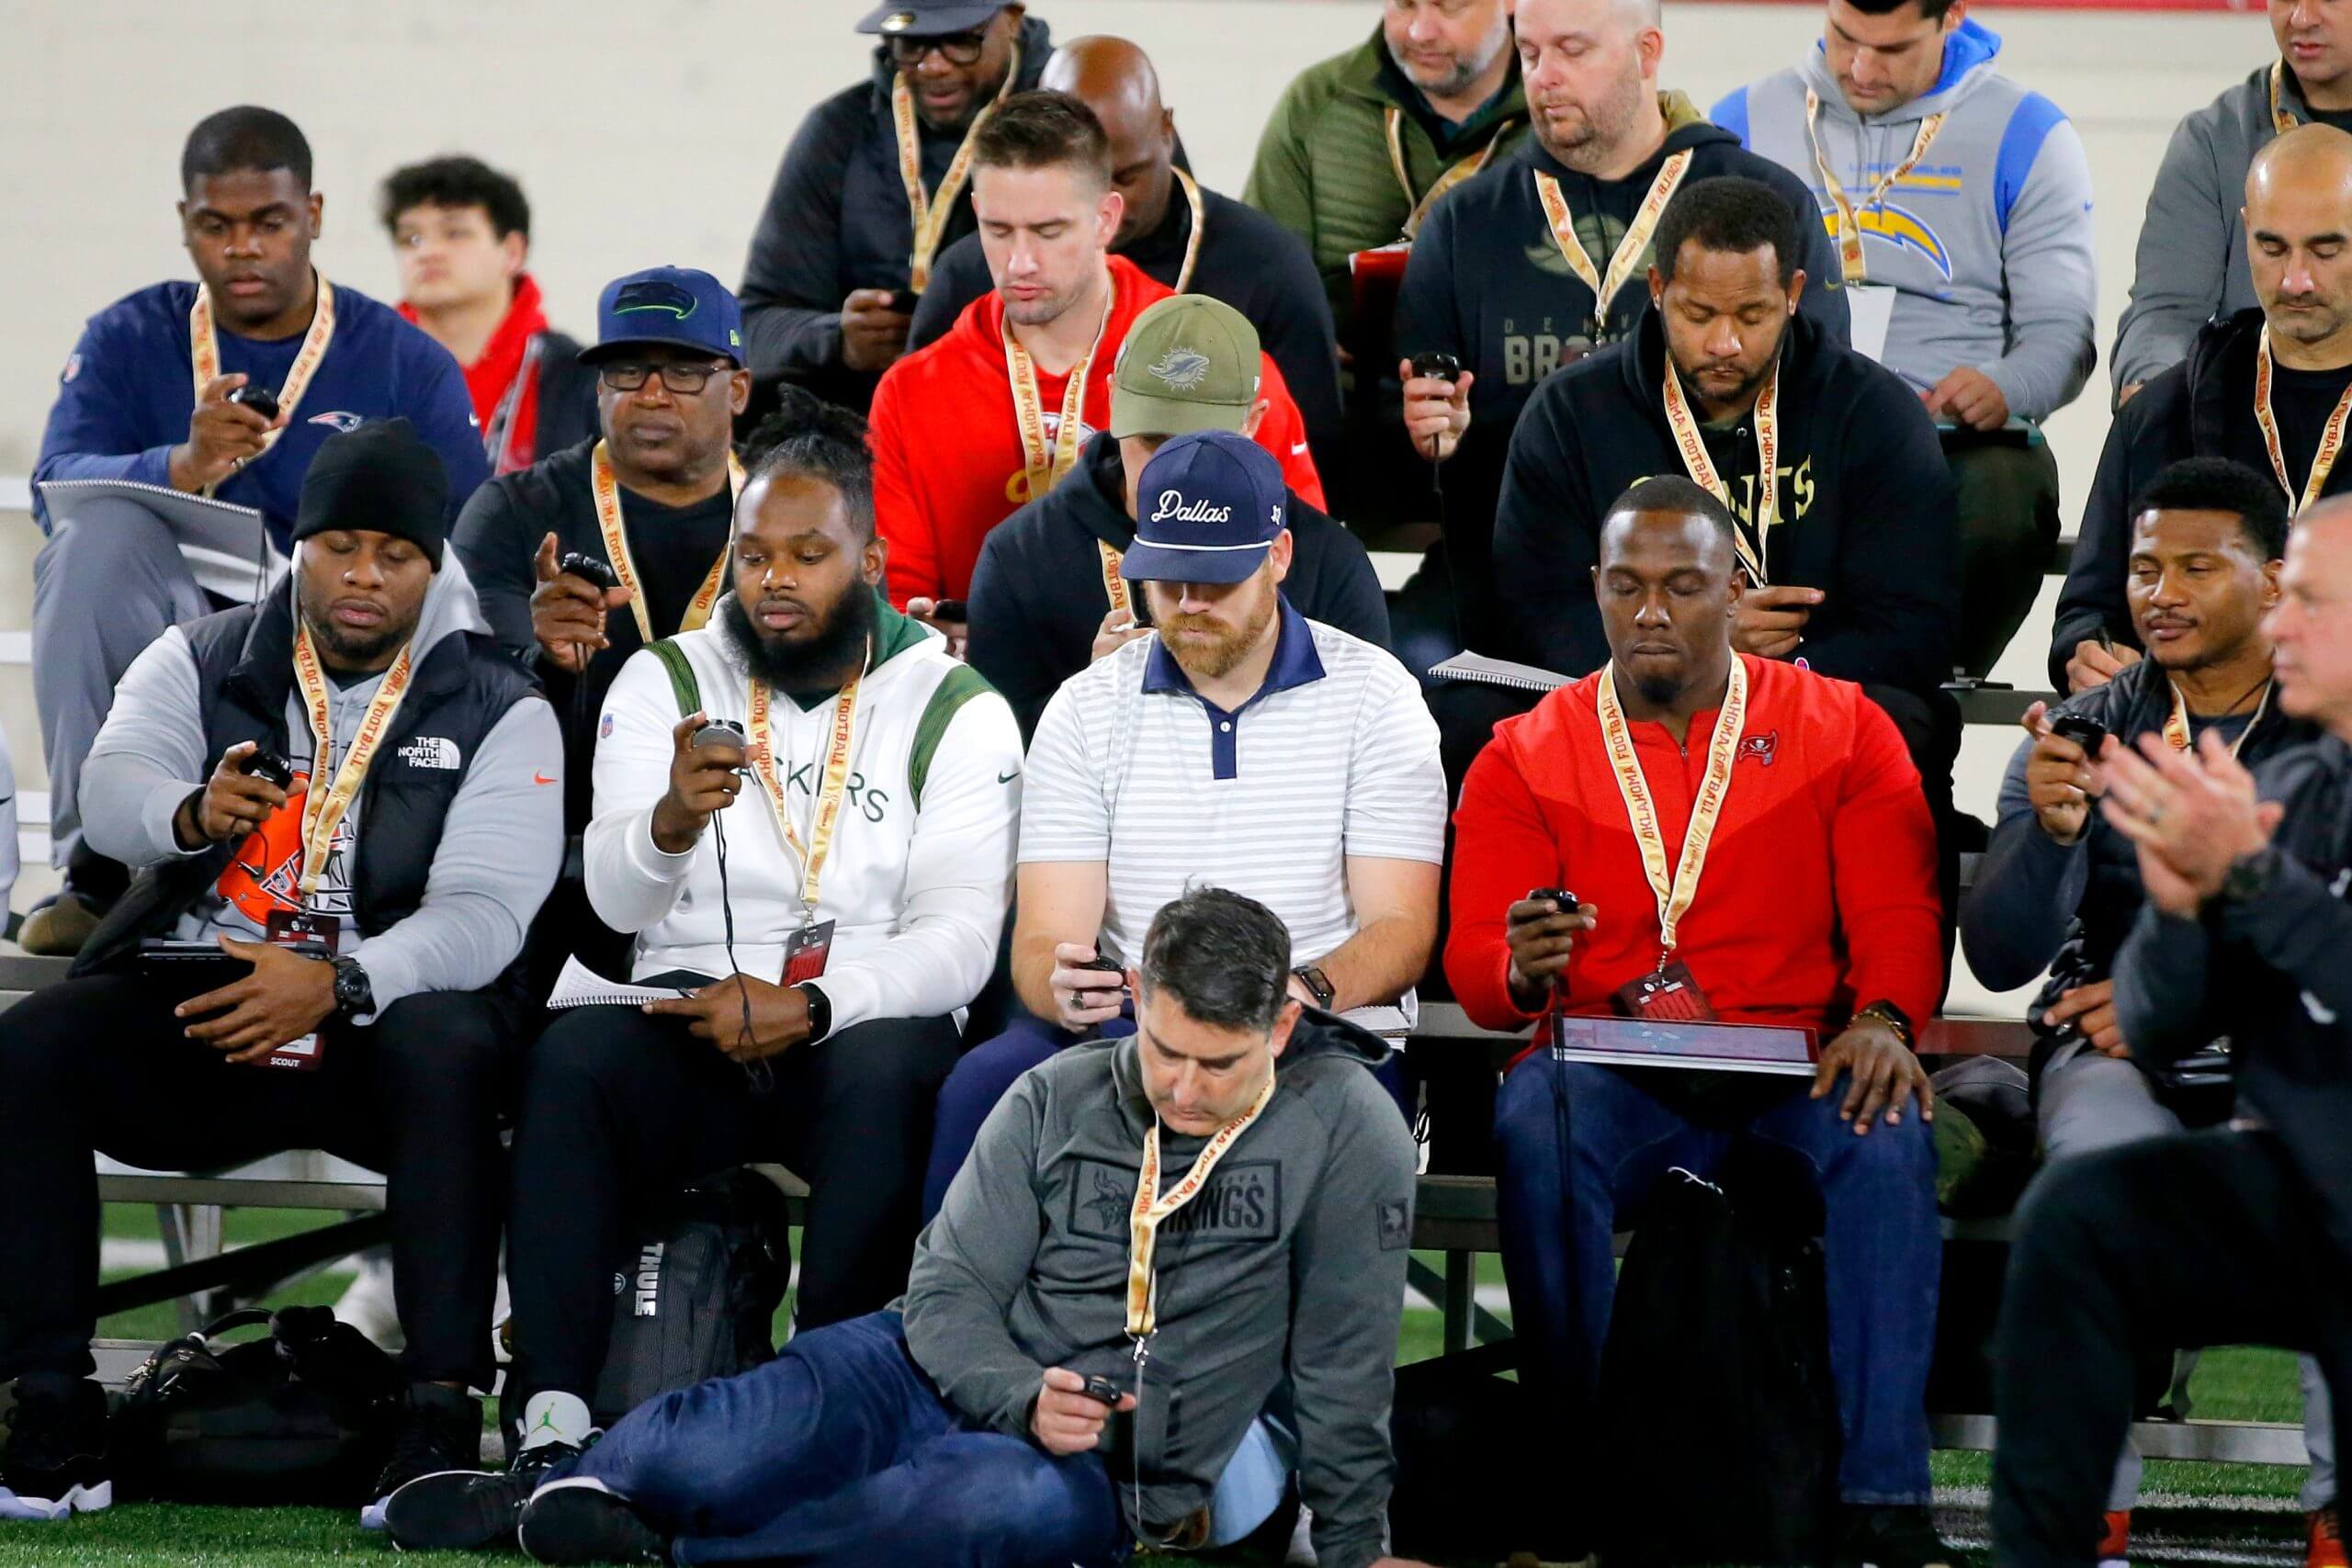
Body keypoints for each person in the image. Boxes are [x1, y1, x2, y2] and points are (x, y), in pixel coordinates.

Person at [386, 887, 1430, 1568]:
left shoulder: (1345, 1126)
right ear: (1140, 1001)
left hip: (1110, 1453)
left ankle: (661, 1548)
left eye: (1221, 1064)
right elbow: (946, 1292)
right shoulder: (1055, 1092)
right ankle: (569, 1488)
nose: (1186, 1088)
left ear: (1283, 1025)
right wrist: (1017, 1387)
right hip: (935, 1365)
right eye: (1165, 1052)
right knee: (722, 1442)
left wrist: (1352, 1549)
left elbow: (1345, 1361)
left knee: (980, 1510)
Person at [445, 407, 1023, 1499]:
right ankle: (554, 1420)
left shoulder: (955, 704)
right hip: (688, 1007)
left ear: (874, 561)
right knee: (570, 1071)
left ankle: (829, 1413)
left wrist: (815, 1004)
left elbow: (957, 943)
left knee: (897, 1072)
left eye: (810, 555)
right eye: (754, 556)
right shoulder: (664, 677)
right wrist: (666, 822)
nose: (776, 582)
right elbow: (616, 900)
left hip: (854, 1019)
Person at [0, 420, 563, 1529]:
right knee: (30, 1052)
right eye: (338, 545)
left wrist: (340, 982)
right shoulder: (204, 653)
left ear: (432, 565)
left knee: (449, 1044)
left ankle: (438, 1410)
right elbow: (114, 783)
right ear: (297, 545)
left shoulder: (498, 699)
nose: (362, 575)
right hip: (204, 1003)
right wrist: (185, 812)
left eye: (394, 554)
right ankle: (53, 1401)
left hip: (372, 1036)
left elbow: (487, 915)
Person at [1447, 477, 1949, 1568]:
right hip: (1613, 1068)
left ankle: (1882, 1503)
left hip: (1793, 1061)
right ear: (1594, 591)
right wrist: (1520, 971)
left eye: (1683, 586)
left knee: (1887, 1123)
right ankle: (1575, 1482)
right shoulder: (1522, 752)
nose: (1652, 613)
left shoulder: (1842, 726)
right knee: (1542, 1120)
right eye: (1625, 587)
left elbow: (1899, 908)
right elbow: (1481, 973)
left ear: (1734, 588)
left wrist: (1882, 1017)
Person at [1961, 457, 2337, 1565]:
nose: (2158, 592)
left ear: (2272, 584)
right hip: (2112, 1054)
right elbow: (1999, 951)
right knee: (2086, 1191)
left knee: (2337, 1193)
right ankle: (2089, 1519)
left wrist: (2182, 1003)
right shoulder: (2075, 731)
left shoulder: (2324, 723)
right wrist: (2051, 833)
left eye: (2192, 567)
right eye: (2139, 568)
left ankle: (2336, 1516)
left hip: (2280, 1045)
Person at [923, 428, 1443, 1215]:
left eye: (1216, 578)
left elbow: (1400, 929)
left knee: (1309, 1133)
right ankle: (943, 1325)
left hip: (1313, 1026)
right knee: (981, 1087)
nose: (1190, 604)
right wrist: (1060, 987)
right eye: (1167, 579)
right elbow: (1042, 942)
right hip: (1133, 1026)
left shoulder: (1376, 695)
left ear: (1278, 555)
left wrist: (1281, 1000)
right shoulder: (1086, 705)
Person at [27, 106, 488, 955]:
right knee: (89, 548)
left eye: (267, 223)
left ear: (311, 216)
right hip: (171, 632)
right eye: (217, 225)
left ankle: (377, 880)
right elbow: (55, 490)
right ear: (185, 225)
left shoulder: (402, 360)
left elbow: (470, 537)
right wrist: (181, 463)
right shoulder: (131, 338)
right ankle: (96, 874)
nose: (242, 247)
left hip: (330, 640)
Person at [1396, 0, 1848, 641]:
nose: (1544, 76)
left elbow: (1819, 401)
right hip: (1528, 571)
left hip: (1727, 558)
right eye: (1529, 54)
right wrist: (1442, 439)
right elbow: (1410, 455)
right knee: (1413, 668)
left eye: (1573, 51)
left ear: (1646, 53)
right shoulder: (1464, 220)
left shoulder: (1761, 206)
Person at [1489, 176, 1955, 785]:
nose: (1724, 343)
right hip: (1627, 693)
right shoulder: (1571, 412)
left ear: (1793, 294)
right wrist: (1698, 646)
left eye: (1752, 314)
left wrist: (1757, 673)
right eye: (1699, 313)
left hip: (1811, 693)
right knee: (1477, 718)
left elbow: (1916, 624)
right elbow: (1535, 607)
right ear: (1657, 290)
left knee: (1901, 723)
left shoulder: (1873, 412)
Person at [1714, 0, 2097, 677]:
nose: (1860, 69)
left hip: (1943, 438)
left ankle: (1917, 681)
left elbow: (2062, 334)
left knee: (2007, 490)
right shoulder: (1741, 123)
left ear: (1951, 18)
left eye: (1890, 51)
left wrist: (2003, 387)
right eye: (1843, 39)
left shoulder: (2026, 132)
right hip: (1771, 425)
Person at [868, 90, 1325, 635]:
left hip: (1186, 683)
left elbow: (1302, 570)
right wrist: (921, 643)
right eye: (997, 230)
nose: (1019, 261)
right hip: (992, 693)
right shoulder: (911, 393)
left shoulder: (1211, 367)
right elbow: (897, 602)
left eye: (1048, 231)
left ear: (1106, 219)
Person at [909, 36, 1343, 479]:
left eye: (1126, 177)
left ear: (1166, 132)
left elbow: (1312, 461)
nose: (1105, 205)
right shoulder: (971, 272)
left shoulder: (1265, 265)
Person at [967, 293, 1389, 740]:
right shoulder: (1020, 556)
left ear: (1254, 421)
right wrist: (1084, 703)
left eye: (1199, 440)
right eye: (1153, 438)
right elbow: (995, 757)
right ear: (1110, 400)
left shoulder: (1325, 557)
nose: (1174, 467)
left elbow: (1375, 735)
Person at [452, 266, 752, 840]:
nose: (652, 395)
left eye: (685, 373)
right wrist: (547, 664)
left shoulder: (786, 524)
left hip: (747, 845)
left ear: (737, 390)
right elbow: (461, 709)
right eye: (627, 372)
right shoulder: (513, 514)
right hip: (558, 842)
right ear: (598, 390)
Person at [2054, 123, 2352, 695]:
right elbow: (2088, 609)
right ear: (2244, 234)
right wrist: (2088, 652)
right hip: (2189, 734)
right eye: (2271, 247)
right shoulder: (2164, 411)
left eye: (2325, 248)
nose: (2295, 279)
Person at [739, 1, 1052, 412]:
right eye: (912, 44)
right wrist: (837, 339)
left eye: (960, 41)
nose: (933, 66)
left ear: (1010, 20)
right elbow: (752, 326)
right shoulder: (838, 132)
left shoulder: (1079, 124)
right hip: (864, 433)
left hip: (1042, 418)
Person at [1246, 0, 1528, 345]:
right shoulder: (1316, 102)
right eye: (1404, 5)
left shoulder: (1563, 111)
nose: (1420, 31)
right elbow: (1261, 282)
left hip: (1509, 389)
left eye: (1449, 6)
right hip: (1349, 390)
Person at [2113, 0, 2352, 400]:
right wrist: (2156, 401)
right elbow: (2166, 313)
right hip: (2250, 422)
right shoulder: (2214, 138)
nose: (2302, 18)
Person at [381, 154, 598, 476]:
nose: (426, 252)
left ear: (512, 252)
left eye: (454, 233)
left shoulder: (583, 379)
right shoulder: (364, 369)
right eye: (411, 238)